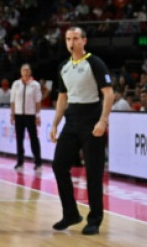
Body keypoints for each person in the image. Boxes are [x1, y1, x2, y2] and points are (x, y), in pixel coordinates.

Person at [49, 26, 114, 236]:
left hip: (92, 117)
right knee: (59, 165)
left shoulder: (94, 62)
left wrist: (103, 121)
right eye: (68, 38)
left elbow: (109, 94)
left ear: (84, 41)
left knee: (93, 172)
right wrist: (54, 124)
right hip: (72, 119)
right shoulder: (63, 67)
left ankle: (94, 219)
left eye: (75, 38)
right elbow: (62, 98)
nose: (71, 42)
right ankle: (71, 214)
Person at [10, 63, 43, 172]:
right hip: (19, 115)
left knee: (34, 138)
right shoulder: (16, 84)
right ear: (20, 71)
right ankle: (20, 162)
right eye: (23, 70)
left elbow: (38, 102)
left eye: (27, 70)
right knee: (19, 139)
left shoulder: (35, 85)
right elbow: (13, 101)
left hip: (30, 115)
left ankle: (38, 162)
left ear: (30, 72)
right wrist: (12, 114)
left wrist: (37, 115)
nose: (25, 72)